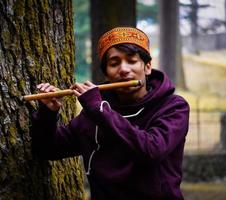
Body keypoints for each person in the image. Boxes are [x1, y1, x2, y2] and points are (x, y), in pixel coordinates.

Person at [31, 27, 190, 200]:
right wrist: (48, 113)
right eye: (114, 63)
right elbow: (48, 149)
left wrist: (99, 110)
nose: (123, 69)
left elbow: (151, 150)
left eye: (131, 61)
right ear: (107, 73)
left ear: (147, 67)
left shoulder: (173, 107)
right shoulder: (93, 113)